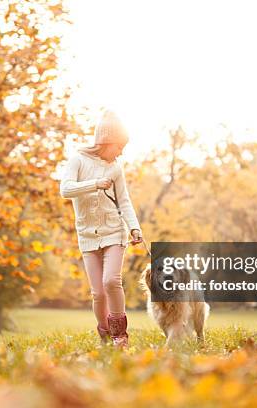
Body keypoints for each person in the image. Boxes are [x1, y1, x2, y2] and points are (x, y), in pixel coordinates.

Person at [59, 110, 143, 348]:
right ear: (106, 142)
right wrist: (94, 184)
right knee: (97, 293)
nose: (121, 152)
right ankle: (105, 336)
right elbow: (65, 190)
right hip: (87, 235)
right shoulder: (78, 160)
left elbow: (124, 201)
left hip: (113, 233)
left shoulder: (116, 167)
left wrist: (134, 228)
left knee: (111, 281)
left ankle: (120, 336)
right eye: (119, 146)